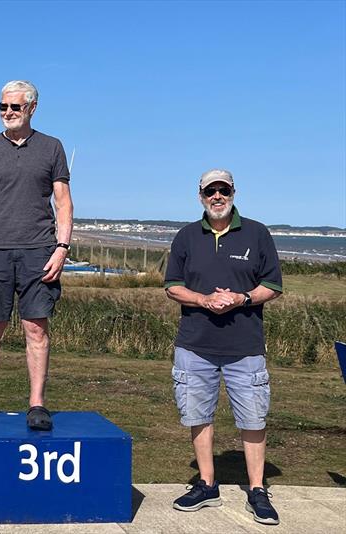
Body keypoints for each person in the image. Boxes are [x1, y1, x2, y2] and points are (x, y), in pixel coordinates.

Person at [165, 169, 283, 525]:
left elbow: (272, 286)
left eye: (223, 190)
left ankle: (257, 489)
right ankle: (206, 484)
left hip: (245, 347)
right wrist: (203, 299)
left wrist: (241, 298)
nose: (217, 196)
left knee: (253, 419)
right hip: (195, 345)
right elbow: (172, 285)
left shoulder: (257, 233)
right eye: (210, 191)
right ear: (200, 195)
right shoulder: (186, 236)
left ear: (233, 192)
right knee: (198, 416)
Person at [0, 80, 73, 431]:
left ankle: (37, 404)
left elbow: (63, 203)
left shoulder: (52, 147)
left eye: (15, 107)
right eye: (3, 106)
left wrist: (62, 248)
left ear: (32, 108)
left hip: (39, 251)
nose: (8, 112)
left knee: (36, 329)